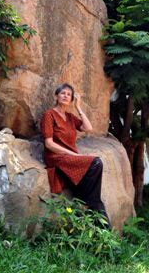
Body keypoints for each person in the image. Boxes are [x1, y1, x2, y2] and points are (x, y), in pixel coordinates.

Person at [41, 82, 110, 227]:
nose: (66, 96)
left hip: (69, 157)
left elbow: (88, 128)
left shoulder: (71, 117)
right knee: (96, 162)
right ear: (56, 95)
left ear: (72, 99)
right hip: (56, 157)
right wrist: (74, 155)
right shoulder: (49, 115)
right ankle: (92, 203)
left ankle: (89, 201)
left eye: (69, 95)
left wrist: (78, 107)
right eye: (63, 93)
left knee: (96, 164)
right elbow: (49, 144)